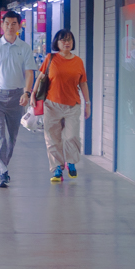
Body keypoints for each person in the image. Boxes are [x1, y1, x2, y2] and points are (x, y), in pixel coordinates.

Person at [0, 11, 37, 188]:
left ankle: (2, 164)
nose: (10, 27)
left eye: (13, 24)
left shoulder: (25, 48)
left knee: (12, 137)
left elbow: (29, 73)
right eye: (7, 23)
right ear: (1, 26)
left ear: (19, 26)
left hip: (17, 97)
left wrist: (26, 93)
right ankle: (3, 171)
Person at [41, 28, 90, 183]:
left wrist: (88, 103)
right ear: (57, 42)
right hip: (51, 105)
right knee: (52, 137)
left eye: (69, 39)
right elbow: (41, 77)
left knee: (72, 136)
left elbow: (83, 83)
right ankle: (57, 168)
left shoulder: (78, 61)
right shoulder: (50, 58)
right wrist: (31, 95)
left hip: (72, 105)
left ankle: (71, 162)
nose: (66, 42)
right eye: (63, 40)